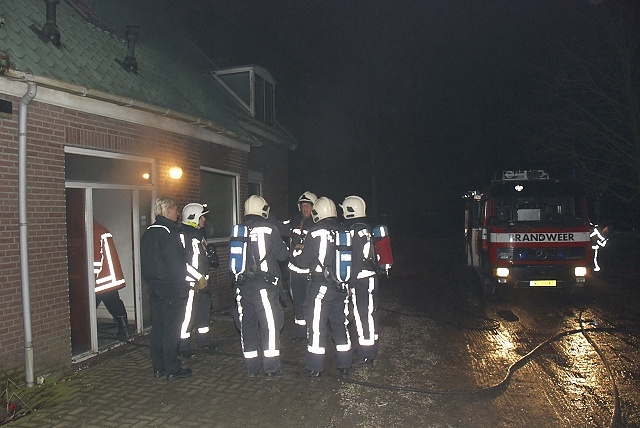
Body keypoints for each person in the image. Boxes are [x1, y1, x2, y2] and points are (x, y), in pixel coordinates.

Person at [292, 196, 352, 379]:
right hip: (341, 287)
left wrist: (296, 250)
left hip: (320, 287)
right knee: (340, 326)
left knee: (316, 326)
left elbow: (302, 262)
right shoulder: (344, 231)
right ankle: (345, 365)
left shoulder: (315, 232)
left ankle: (315, 367)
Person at [232, 195, 289, 380]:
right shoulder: (269, 229)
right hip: (264, 287)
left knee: (247, 325)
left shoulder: (238, 230)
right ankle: (271, 368)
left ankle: (251, 367)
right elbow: (282, 256)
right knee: (270, 326)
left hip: (242, 286)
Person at [140, 197, 192, 381]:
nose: (178, 213)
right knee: (172, 329)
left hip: (154, 287)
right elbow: (176, 264)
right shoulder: (169, 233)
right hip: (171, 288)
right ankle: (172, 368)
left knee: (158, 328)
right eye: (176, 210)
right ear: (168, 211)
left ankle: (158, 367)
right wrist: (182, 288)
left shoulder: (148, 232)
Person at [340, 196, 380, 366]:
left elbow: (355, 261)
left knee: (362, 315)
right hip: (370, 278)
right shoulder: (366, 229)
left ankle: (366, 354)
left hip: (361, 281)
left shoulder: (355, 232)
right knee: (370, 315)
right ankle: (369, 347)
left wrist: (349, 283)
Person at [178, 203, 218, 359]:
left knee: (203, 314)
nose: (204, 219)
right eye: (202, 216)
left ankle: (204, 340)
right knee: (187, 316)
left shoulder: (199, 234)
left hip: (203, 282)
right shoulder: (183, 235)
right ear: (194, 217)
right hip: (191, 283)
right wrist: (198, 277)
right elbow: (182, 262)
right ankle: (183, 346)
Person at [282, 191, 317, 342]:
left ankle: (313, 330)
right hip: (295, 271)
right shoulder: (293, 221)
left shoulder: (318, 224)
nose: (305, 208)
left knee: (312, 302)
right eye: (303, 205)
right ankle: (300, 331)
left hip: (310, 271)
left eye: (308, 205)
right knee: (297, 301)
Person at [93, 219, 130, 339]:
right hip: (108, 276)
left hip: (103, 277)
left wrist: (91, 276)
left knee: (91, 304)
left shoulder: (94, 231)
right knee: (113, 301)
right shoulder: (100, 229)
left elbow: (96, 256)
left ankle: (124, 329)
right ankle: (124, 329)